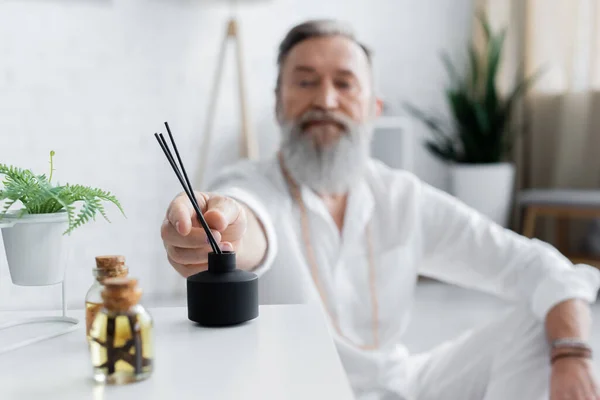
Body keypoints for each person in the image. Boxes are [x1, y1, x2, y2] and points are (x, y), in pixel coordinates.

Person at [160, 19, 600, 400]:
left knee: (544, 325)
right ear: (278, 105)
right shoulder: (250, 184)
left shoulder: (401, 196)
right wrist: (224, 229)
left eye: (344, 83)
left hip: (401, 387)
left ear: (374, 109)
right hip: (302, 391)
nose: (326, 101)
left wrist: (573, 353)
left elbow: (538, 266)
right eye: (306, 81)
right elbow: (245, 218)